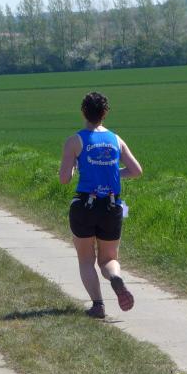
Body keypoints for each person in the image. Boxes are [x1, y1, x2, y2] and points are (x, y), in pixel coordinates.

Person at [59, 91, 143, 319]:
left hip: (85, 205)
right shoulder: (116, 139)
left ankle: (98, 305)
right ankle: (115, 277)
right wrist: (112, 172)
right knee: (108, 259)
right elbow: (136, 171)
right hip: (112, 206)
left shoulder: (74, 141)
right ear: (105, 113)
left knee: (86, 259)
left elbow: (64, 179)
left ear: (83, 112)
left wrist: (75, 167)